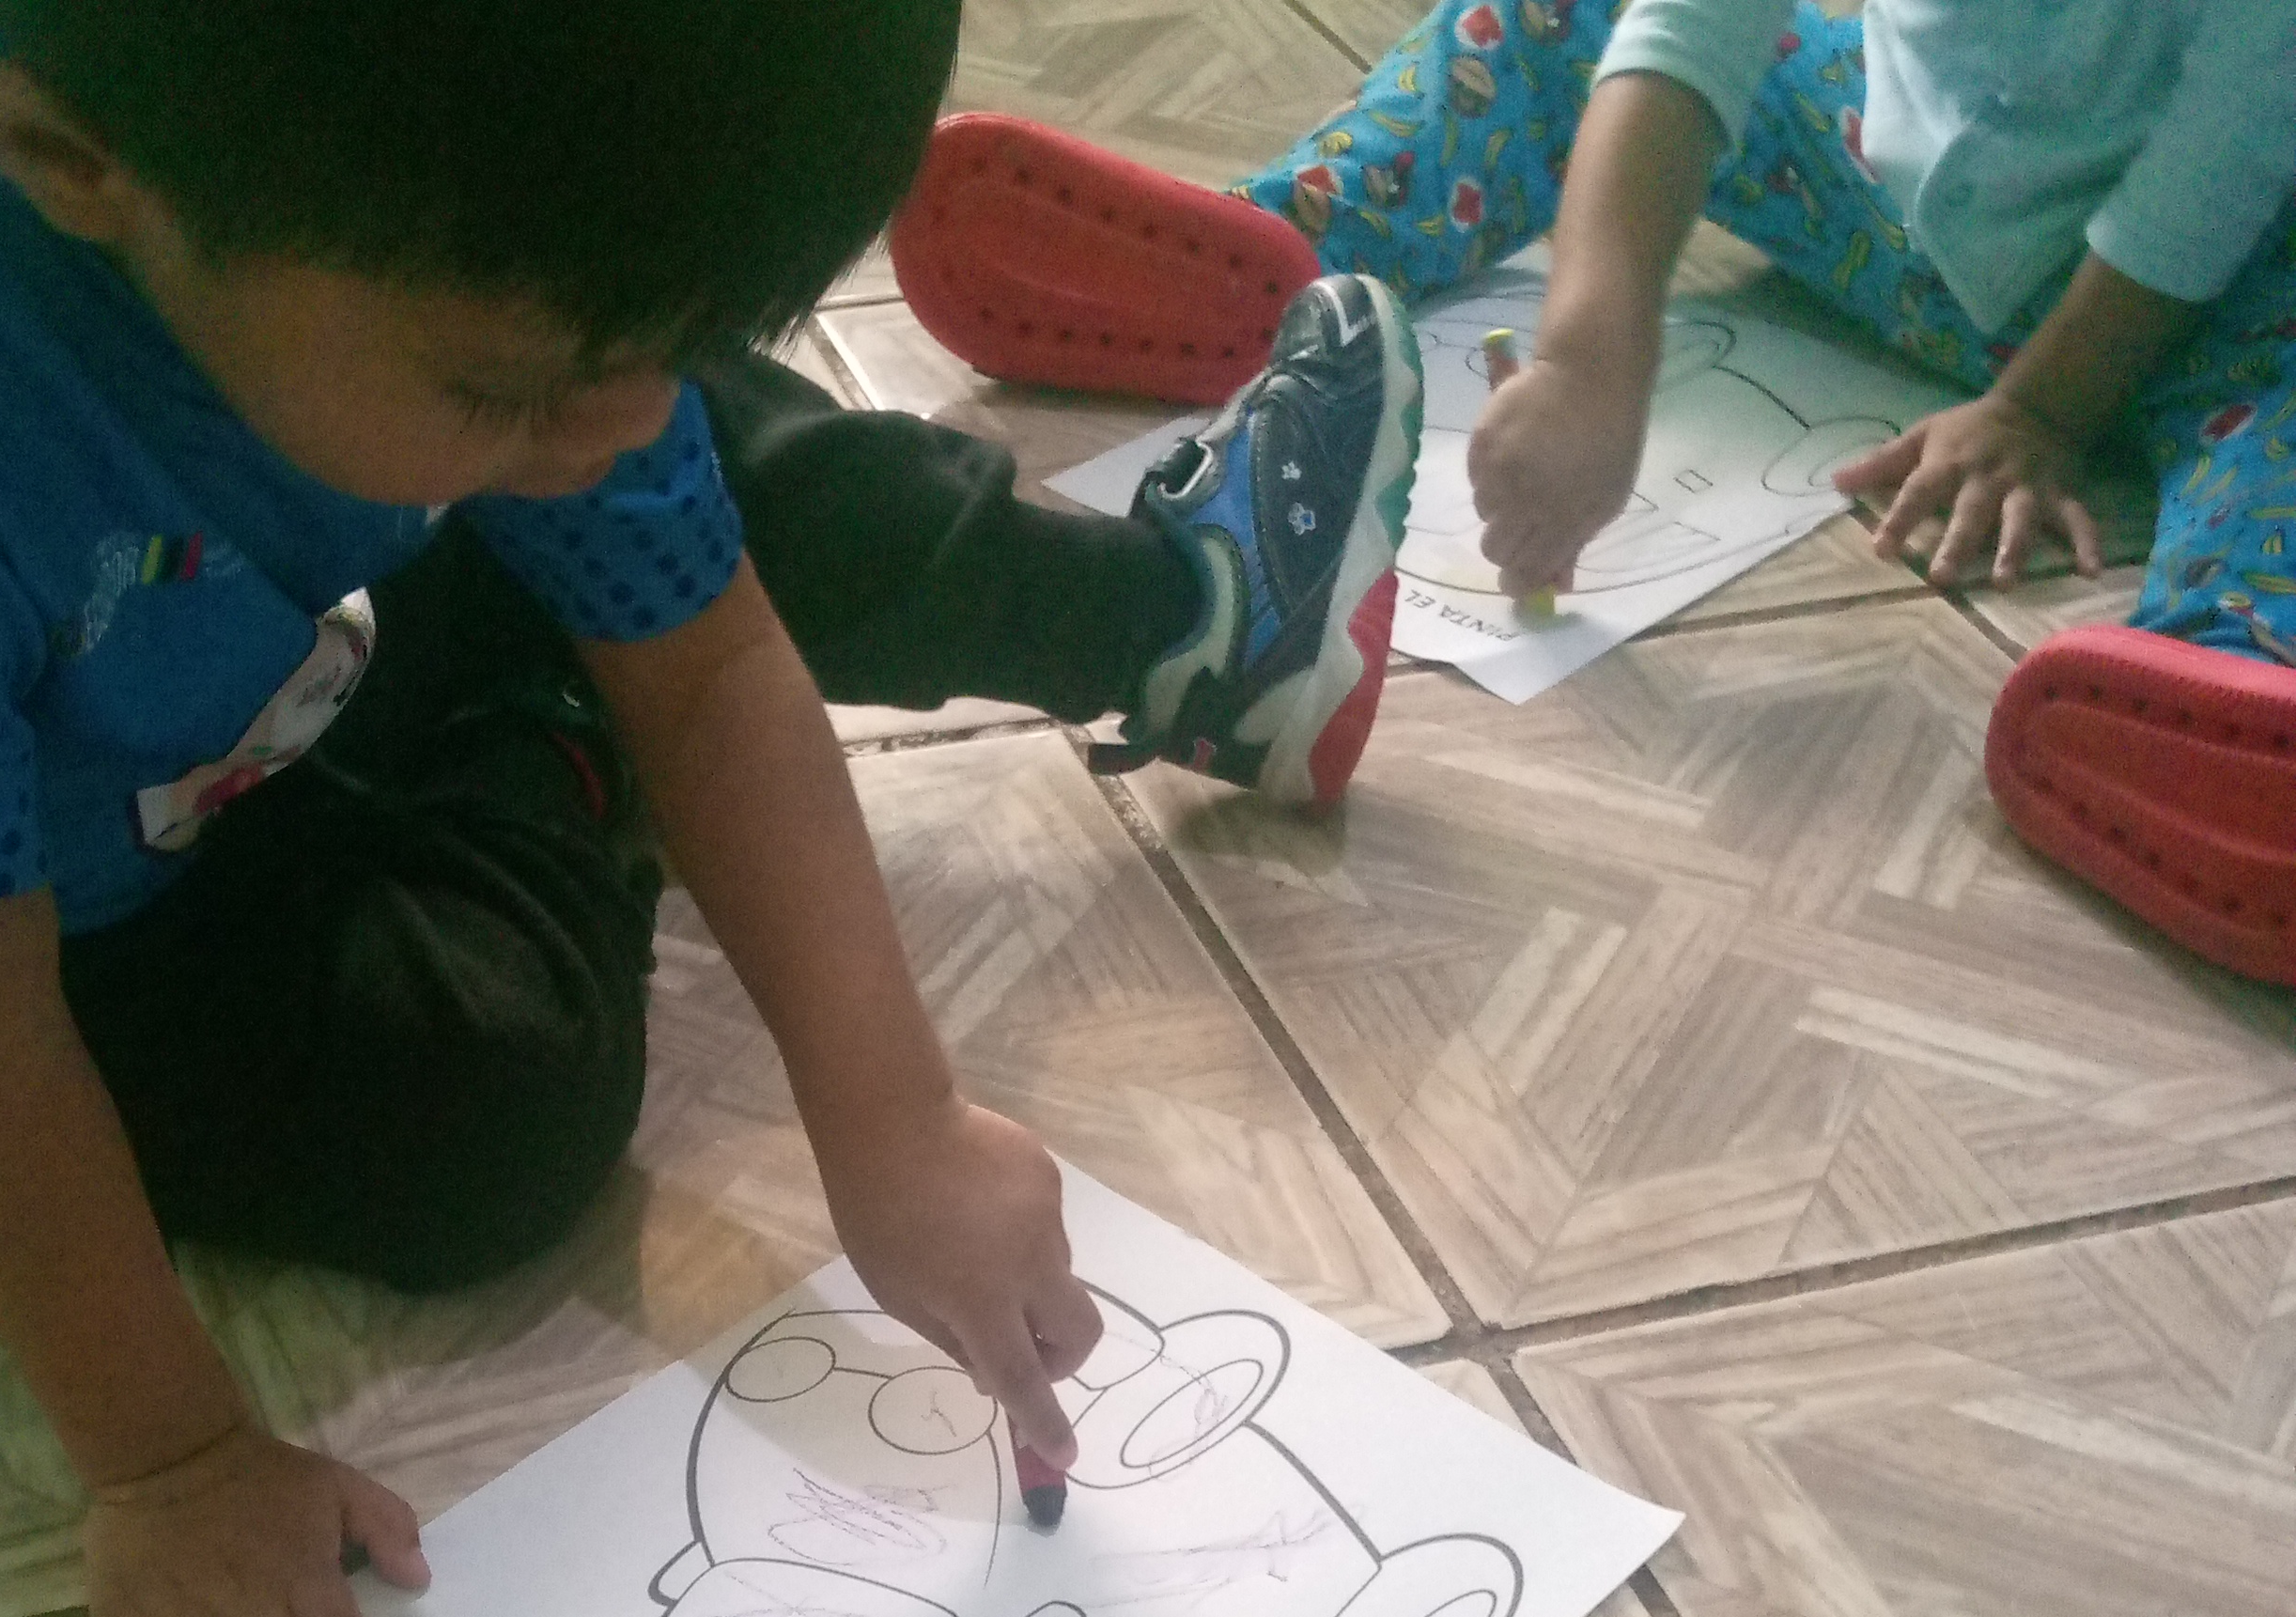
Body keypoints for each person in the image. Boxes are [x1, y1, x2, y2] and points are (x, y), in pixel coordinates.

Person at [0, 0, 1426, 1617]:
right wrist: (171, 1464)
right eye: (508, 385)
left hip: (271, 591)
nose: (610, 429)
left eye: (658, 351)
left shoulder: (403, 242)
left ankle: (1182, 623)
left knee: (648, 425)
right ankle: (542, 700)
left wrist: (896, 1119)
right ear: (68, 161)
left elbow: (708, 656)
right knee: (486, 1112)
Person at [890, 0, 2296, 987]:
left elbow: (2222, 164)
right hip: (1886, 184)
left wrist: (2047, 408)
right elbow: (1685, 35)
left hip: (2206, 301)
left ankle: (2237, 676)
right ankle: (1276, 250)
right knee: (1556, 15)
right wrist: (1591, 350)